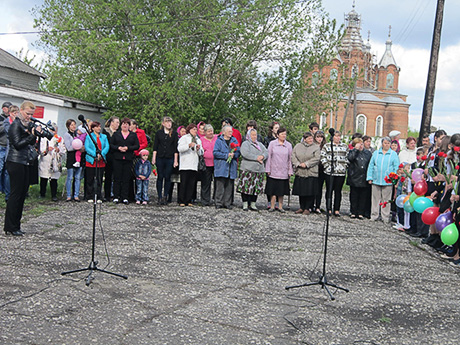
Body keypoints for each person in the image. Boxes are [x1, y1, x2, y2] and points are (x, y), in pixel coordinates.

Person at [4, 101, 40, 236]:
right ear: (21, 110)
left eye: (31, 114)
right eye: (27, 113)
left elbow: (31, 142)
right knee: (16, 194)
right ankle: (10, 226)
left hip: (25, 161)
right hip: (15, 161)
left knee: (22, 194)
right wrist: (31, 136)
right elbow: (17, 144)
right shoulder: (15, 125)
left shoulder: (26, 125)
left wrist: (34, 135)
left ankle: (16, 225)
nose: (29, 117)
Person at [366, 137, 400, 223]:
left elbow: (396, 167)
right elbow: (371, 166)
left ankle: (385, 217)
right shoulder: (376, 153)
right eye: (385, 143)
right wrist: (370, 177)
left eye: (388, 143)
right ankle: (374, 215)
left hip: (388, 181)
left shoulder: (393, 154)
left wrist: (394, 179)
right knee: (375, 199)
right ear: (382, 144)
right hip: (376, 179)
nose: (387, 145)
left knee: (386, 199)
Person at [110, 118, 139, 204]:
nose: (125, 125)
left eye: (127, 124)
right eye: (123, 124)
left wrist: (128, 148)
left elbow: (137, 146)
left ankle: (125, 197)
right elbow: (111, 145)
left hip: (128, 158)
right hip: (117, 158)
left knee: (126, 178)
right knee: (117, 178)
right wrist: (118, 148)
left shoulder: (133, 135)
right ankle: (116, 196)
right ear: (121, 125)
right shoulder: (116, 134)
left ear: (129, 126)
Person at [237, 128, 268, 211]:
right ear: (249, 136)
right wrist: (256, 157)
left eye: (255, 135)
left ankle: (253, 204)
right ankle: (245, 203)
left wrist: (263, 156)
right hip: (247, 169)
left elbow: (266, 152)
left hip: (258, 170)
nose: (254, 137)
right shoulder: (245, 144)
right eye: (252, 135)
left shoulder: (260, 144)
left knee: (255, 188)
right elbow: (245, 153)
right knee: (246, 187)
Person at [321, 130, 348, 216]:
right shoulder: (327, 146)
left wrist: (344, 167)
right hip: (329, 173)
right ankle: (328, 208)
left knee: (338, 191)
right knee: (329, 190)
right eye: (336, 136)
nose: (337, 138)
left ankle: (337, 209)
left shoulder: (344, 146)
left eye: (339, 136)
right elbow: (323, 156)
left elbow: (348, 158)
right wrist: (327, 167)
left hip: (340, 173)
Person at [292, 132, 320, 215]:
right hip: (300, 172)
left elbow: (316, 158)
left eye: (312, 138)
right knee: (301, 191)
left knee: (309, 191)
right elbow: (293, 156)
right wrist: (298, 164)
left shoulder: (316, 147)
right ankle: (302, 207)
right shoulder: (298, 146)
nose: (311, 140)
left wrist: (306, 164)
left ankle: (307, 208)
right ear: (304, 139)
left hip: (311, 172)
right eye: (309, 138)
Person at [152, 116, 179, 205]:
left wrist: (175, 160)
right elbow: (155, 146)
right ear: (163, 124)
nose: (169, 124)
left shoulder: (174, 134)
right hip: (160, 157)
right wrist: (154, 158)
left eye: (170, 122)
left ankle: (165, 196)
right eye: (167, 122)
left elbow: (175, 148)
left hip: (169, 158)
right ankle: (159, 196)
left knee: (168, 177)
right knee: (160, 177)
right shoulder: (159, 133)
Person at [265, 127, 292, 213]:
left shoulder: (289, 145)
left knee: (281, 191)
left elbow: (290, 159)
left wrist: (290, 171)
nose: (284, 136)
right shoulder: (272, 144)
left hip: (283, 171)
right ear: (277, 135)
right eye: (282, 134)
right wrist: (268, 169)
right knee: (273, 190)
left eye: (285, 134)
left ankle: (280, 206)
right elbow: (269, 157)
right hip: (273, 170)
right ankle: (272, 206)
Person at [213, 125, 240, 209]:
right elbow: (215, 153)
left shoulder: (234, 140)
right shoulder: (219, 141)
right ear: (224, 132)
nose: (230, 133)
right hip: (221, 166)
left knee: (229, 186)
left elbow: (238, 152)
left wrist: (234, 155)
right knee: (220, 186)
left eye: (231, 131)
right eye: (229, 131)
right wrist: (226, 155)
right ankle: (218, 203)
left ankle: (227, 203)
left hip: (231, 167)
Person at [38, 123, 66, 201]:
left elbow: (63, 150)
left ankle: (54, 195)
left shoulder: (59, 139)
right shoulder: (44, 138)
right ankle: (42, 193)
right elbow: (40, 148)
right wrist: (46, 149)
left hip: (55, 161)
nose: (53, 132)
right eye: (52, 130)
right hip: (46, 159)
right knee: (44, 178)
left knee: (54, 179)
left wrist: (59, 150)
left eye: (55, 130)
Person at [177, 124, 203, 206]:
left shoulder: (198, 140)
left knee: (191, 184)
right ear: (189, 130)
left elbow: (201, 153)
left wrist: (198, 149)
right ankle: (181, 200)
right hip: (185, 164)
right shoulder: (184, 138)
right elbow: (179, 149)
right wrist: (188, 145)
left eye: (196, 129)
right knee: (184, 183)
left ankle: (189, 200)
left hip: (193, 164)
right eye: (193, 129)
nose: (195, 131)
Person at [346, 138, 372, 219]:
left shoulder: (368, 153)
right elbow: (350, 158)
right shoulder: (352, 152)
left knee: (363, 196)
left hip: (364, 177)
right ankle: (353, 211)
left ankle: (361, 212)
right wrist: (355, 150)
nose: (360, 145)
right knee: (354, 195)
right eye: (358, 144)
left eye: (361, 143)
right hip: (354, 176)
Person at [85, 121, 109, 201]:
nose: (99, 128)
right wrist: (95, 155)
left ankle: (99, 196)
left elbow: (107, 146)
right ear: (93, 128)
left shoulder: (104, 137)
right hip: (91, 160)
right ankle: (89, 196)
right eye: (97, 126)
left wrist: (101, 154)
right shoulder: (89, 137)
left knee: (99, 179)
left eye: (99, 126)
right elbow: (87, 147)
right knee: (90, 179)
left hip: (100, 161)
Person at [63, 119, 82, 201]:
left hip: (78, 157)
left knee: (78, 177)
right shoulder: (67, 135)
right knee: (70, 177)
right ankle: (68, 195)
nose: (74, 126)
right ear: (68, 126)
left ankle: (76, 195)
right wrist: (77, 146)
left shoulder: (77, 134)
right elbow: (69, 147)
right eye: (72, 125)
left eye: (74, 124)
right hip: (71, 157)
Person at [102, 116, 119, 201]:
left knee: (116, 176)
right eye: (116, 122)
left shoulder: (119, 132)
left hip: (117, 156)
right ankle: (107, 194)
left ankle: (116, 194)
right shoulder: (105, 132)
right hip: (108, 155)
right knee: (108, 176)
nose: (118, 124)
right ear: (112, 123)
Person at [200, 124, 217, 206]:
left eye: (212, 131)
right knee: (206, 183)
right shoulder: (201, 139)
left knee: (217, 183)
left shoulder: (217, 138)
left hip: (216, 163)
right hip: (206, 164)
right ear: (205, 132)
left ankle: (216, 199)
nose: (211, 133)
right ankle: (205, 200)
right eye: (209, 131)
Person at [0, 101, 12, 196]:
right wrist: (6, 125)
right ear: (4, 109)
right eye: (9, 108)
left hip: (9, 147)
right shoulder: (1, 119)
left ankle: (5, 190)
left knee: (6, 171)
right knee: (0, 169)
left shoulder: (12, 119)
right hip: (1, 146)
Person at [313, 130, 326, 214]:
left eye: (321, 137)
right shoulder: (312, 146)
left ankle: (317, 205)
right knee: (312, 187)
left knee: (319, 188)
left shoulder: (325, 146)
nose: (319, 139)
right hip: (313, 168)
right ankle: (310, 205)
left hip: (322, 169)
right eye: (318, 137)